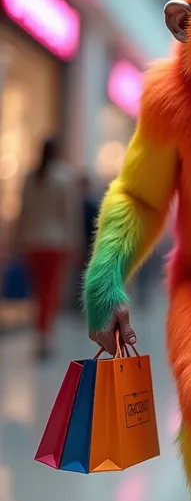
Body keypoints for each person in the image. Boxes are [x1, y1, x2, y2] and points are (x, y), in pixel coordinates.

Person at [16, 138, 81, 359]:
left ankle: (41, 333)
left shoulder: (30, 177)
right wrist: (74, 243)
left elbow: (23, 212)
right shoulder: (63, 177)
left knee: (37, 291)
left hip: (33, 242)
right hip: (55, 243)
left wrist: (18, 240)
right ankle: (45, 335)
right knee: (50, 291)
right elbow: (69, 214)